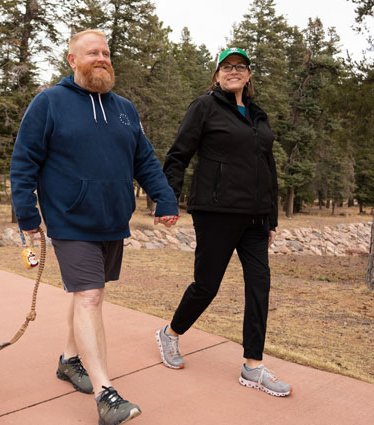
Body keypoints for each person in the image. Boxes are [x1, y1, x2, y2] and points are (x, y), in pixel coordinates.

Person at [9, 29, 179, 424]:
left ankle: (70, 360)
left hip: (112, 221)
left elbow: (145, 160)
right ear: (72, 60)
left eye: (106, 52)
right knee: (90, 297)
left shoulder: (125, 109)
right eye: (91, 53)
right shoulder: (49, 103)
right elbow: (24, 162)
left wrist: (164, 197)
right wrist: (28, 216)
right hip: (70, 220)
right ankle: (106, 394)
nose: (101, 58)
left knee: (86, 295)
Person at [154, 47, 292, 397]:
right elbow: (178, 155)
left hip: (256, 219)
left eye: (240, 67)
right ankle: (170, 333)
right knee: (206, 286)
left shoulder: (259, 116)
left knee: (259, 288)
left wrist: (272, 217)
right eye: (226, 67)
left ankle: (253, 366)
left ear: (248, 75)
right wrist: (168, 198)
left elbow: (269, 169)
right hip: (216, 213)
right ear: (216, 75)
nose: (233, 71)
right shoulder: (205, 107)